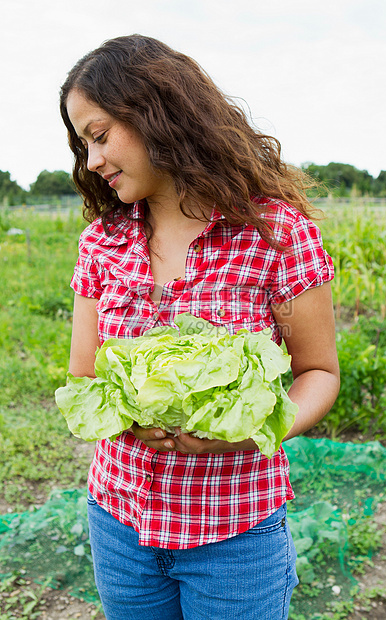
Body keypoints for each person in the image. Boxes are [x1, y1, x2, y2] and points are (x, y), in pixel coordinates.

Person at [60, 34, 340, 620]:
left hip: (234, 532)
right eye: (83, 144)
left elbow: (318, 372)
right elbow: (83, 375)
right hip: (120, 523)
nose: (92, 162)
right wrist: (129, 423)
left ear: (156, 112)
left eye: (100, 135)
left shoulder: (275, 234)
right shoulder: (101, 243)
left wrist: (255, 427)